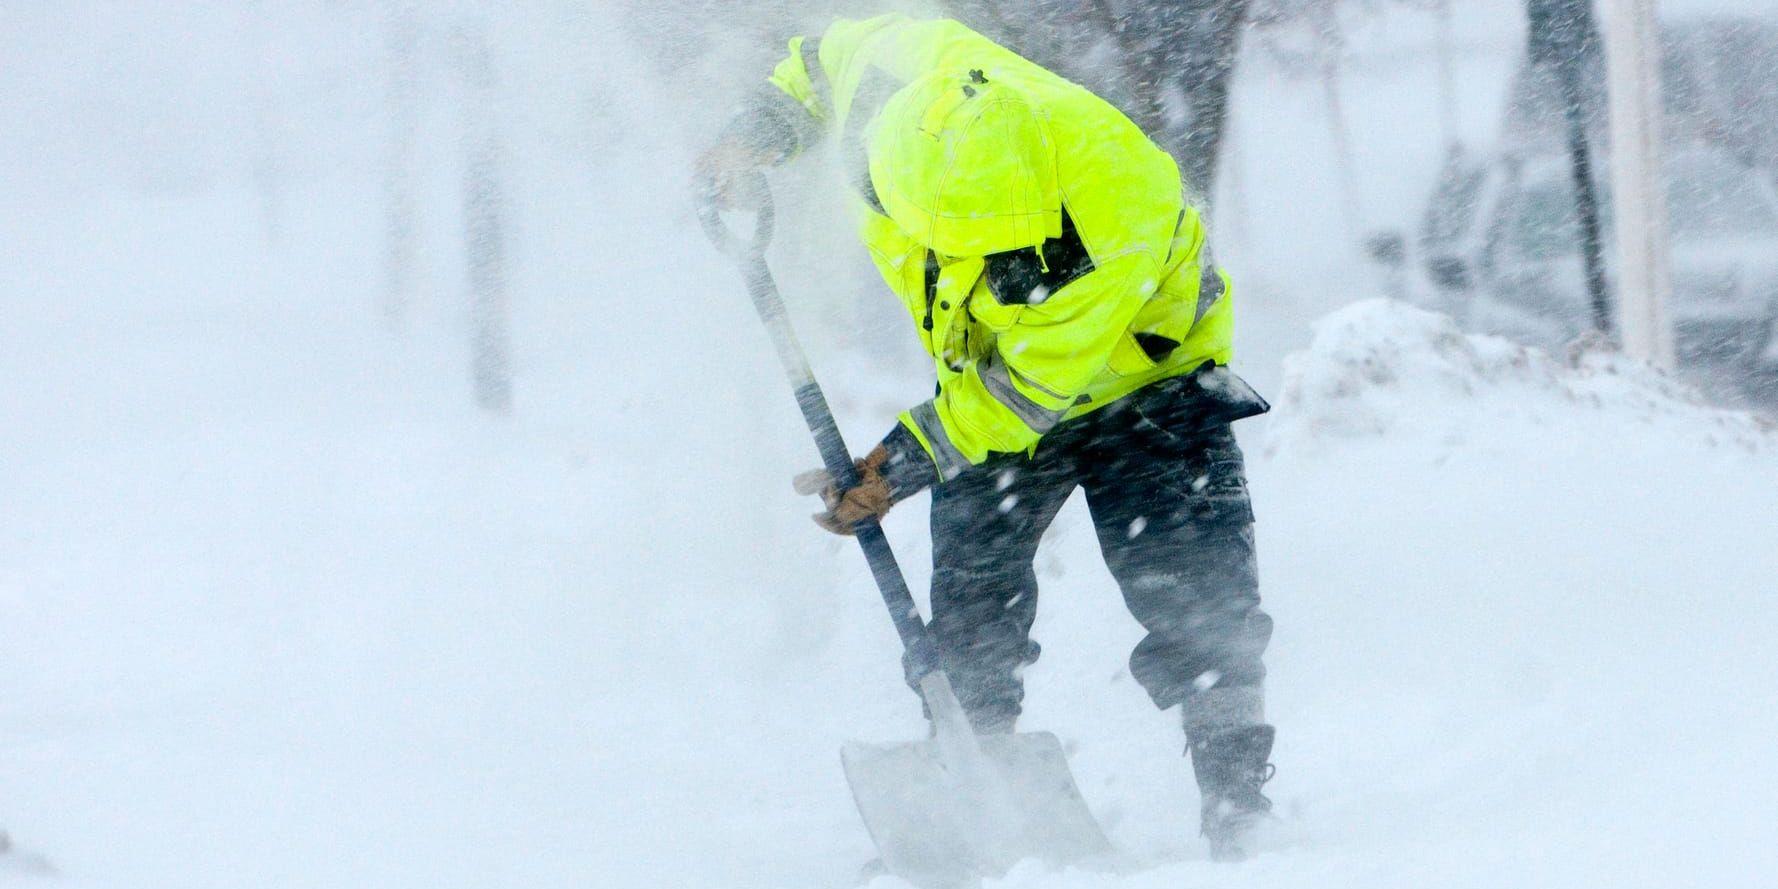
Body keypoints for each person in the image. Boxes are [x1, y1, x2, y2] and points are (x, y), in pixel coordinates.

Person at [698, 14, 1277, 860]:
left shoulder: (1121, 199)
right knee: (972, 595)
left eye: (1000, 258)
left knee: (1198, 593)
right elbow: (816, 65)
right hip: (996, 378)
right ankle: (979, 785)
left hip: (1149, 382)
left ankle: (1239, 805)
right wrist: (754, 137)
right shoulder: (900, 72)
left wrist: (902, 462)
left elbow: (1032, 388)